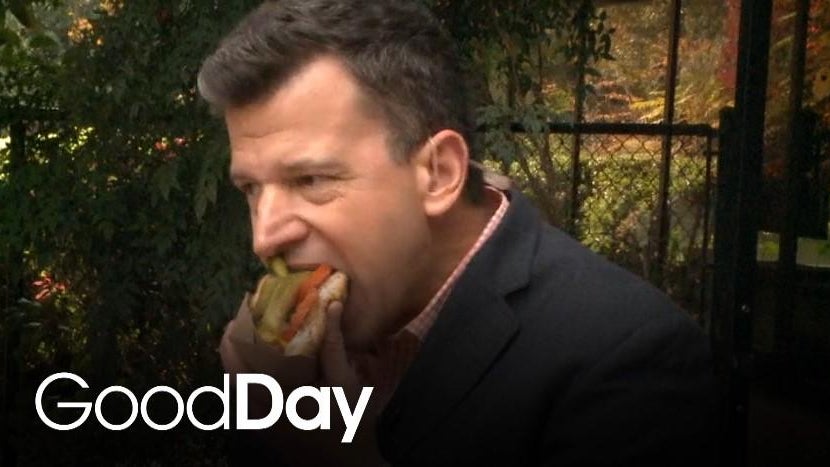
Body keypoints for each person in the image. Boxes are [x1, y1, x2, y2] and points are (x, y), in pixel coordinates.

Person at [197, 0, 717, 465]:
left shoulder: (628, 363)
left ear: (439, 173)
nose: (265, 238)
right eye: (251, 189)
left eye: (310, 180)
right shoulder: (294, 358)